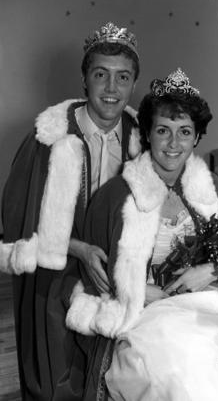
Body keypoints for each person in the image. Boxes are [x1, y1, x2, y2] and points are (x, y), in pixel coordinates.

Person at [66, 68, 218, 401]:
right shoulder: (116, 197)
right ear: (147, 134)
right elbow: (96, 275)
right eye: (163, 131)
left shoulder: (212, 188)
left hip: (208, 300)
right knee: (184, 371)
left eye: (185, 132)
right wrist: (139, 291)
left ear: (197, 137)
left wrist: (211, 269)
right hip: (149, 313)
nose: (174, 144)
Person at [0, 22, 141, 401]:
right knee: (54, 372)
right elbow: (18, 214)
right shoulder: (48, 138)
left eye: (122, 78)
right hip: (56, 270)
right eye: (101, 75)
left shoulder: (138, 139)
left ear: (132, 85)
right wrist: (77, 249)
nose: (112, 89)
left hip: (112, 270)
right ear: (85, 80)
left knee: (110, 371)